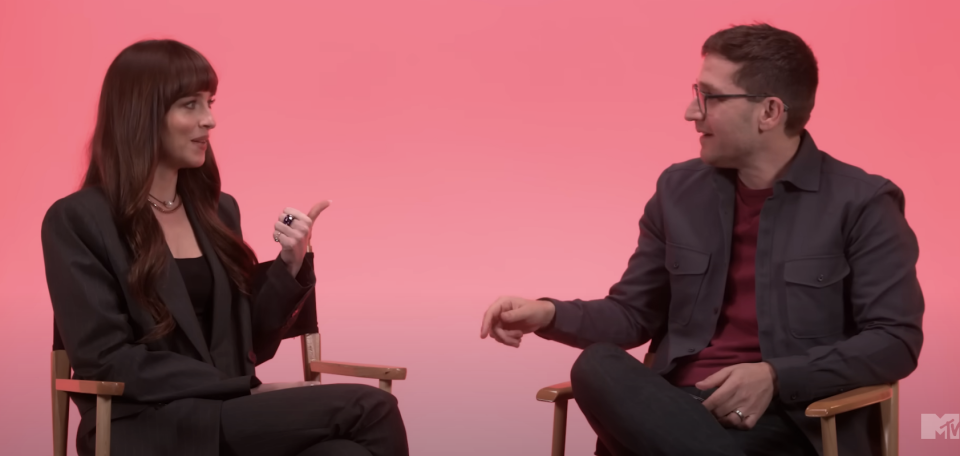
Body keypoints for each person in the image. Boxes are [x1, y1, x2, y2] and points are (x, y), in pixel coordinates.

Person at [479, 23, 923, 456]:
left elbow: (894, 341)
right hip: (671, 414)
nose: (691, 113)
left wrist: (775, 376)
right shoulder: (678, 191)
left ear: (769, 111)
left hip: (789, 422)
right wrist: (549, 314)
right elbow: (634, 315)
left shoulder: (863, 203)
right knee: (598, 365)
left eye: (708, 97)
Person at [41, 40, 408, 456]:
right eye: (190, 105)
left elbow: (249, 341)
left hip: (225, 416)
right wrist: (238, 387)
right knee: (373, 407)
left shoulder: (218, 210)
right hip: (144, 425)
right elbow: (105, 358)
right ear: (140, 115)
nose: (210, 120)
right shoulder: (77, 219)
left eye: (210, 103)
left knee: (346, 453)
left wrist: (290, 264)